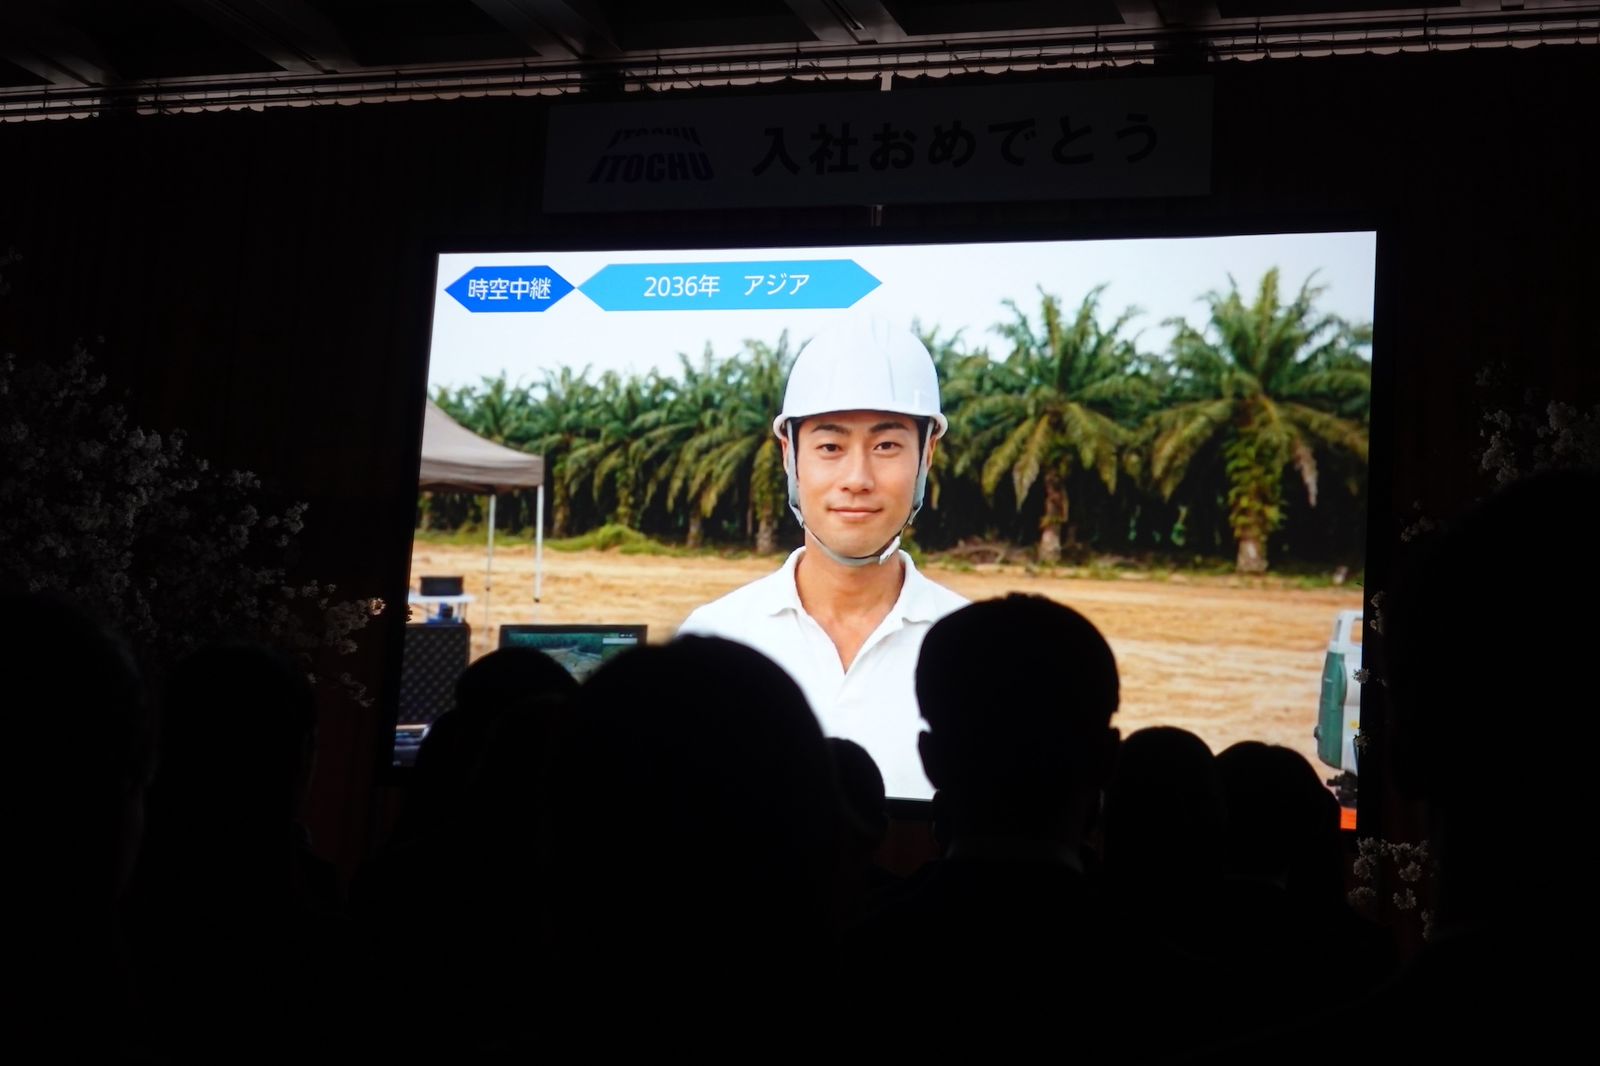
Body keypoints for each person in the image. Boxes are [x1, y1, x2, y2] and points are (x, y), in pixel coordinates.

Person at [678, 318, 967, 797]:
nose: (857, 479)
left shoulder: (978, 654)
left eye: (887, 446)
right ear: (789, 454)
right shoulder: (714, 638)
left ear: (927, 454)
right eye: (830, 446)